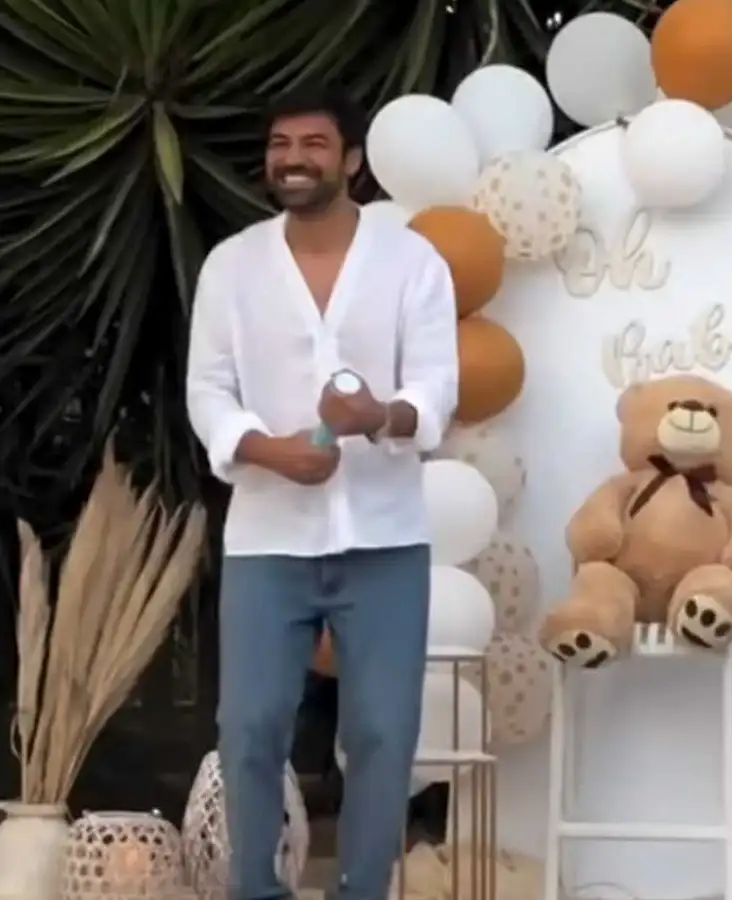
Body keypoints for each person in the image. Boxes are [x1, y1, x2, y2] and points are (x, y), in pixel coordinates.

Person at [186, 87, 459, 900]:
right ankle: (255, 889)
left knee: (381, 734)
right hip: (266, 540)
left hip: (385, 538)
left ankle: (364, 889)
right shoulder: (233, 264)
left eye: (312, 144)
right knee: (249, 728)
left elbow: (436, 389)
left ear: (351, 161)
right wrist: (264, 449)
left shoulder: (412, 261)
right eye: (280, 144)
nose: (292, 159)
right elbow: (208, 388)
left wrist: (379, 416)